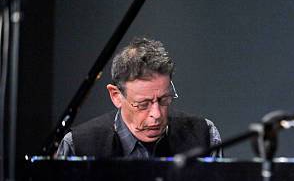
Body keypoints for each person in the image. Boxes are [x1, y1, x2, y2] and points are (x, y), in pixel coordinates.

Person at [55, 37, 221, 158]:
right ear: (116, 96)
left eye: (164, 100)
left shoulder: (204, 135)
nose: (156, 114)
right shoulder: (77, 146)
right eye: (143, 104)